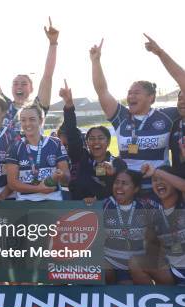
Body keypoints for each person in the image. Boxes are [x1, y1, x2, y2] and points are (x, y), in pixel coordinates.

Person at [90, 36, 182, 191]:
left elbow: (182, 81)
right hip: (128, 191)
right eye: (129, 93)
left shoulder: (168, 116)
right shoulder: (121, 117)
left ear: (151, 97)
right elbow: (102, 90)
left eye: (136, 93)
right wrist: (95, 62)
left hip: (159, 189)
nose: (130, 96)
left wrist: (160, 54)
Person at [0, 18, 59, 131]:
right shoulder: (4, 105)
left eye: (23, 84)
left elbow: (47, 76)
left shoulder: (38, 105)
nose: (19, 87)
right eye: (15, 84)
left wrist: (53, 43)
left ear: (31, 88)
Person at [57, 80, 126, 203]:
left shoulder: (118, 163)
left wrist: (110, 176)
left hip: (105, 211)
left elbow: (120, 189)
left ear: (108, 142)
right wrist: (69, 105)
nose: (96, 142)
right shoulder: (80, 156)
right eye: (92, 139)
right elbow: (72, 132)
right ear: (87, 142)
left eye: (100, 138)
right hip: (77, 211)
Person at [129, 165, 185, 285]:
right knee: (136, 263)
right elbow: (152, 245)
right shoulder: (154, 212)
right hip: (173, 271)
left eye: (163, 179)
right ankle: (155, 299)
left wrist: (156, 171)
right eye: (155, 180)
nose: (159, 183)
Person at [5, 104, 70, 201]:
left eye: (32, 119)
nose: (27, 124)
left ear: (41, 120)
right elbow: (12, 183)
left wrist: (62, 175)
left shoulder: (55, 143)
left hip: (53, 201)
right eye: (23, 120)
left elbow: (67, 179)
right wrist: (38, 189)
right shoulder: (15, 146)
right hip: (24, 203)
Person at [102, 170, 156, 284]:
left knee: (127, 290)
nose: (119, 186)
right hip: (110, 262)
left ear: (135, 189)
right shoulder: (104, 205)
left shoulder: (145, 206)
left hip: (134, 265)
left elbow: (154, 237)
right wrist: (87, 204)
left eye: (125, 183)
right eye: (117, 182)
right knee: (103, 270)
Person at [143, 35, 185, 178]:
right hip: (178, 181)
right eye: (179, 98)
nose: (182, 101)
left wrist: (160, 53)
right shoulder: (173, 119)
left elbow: (181, 77)